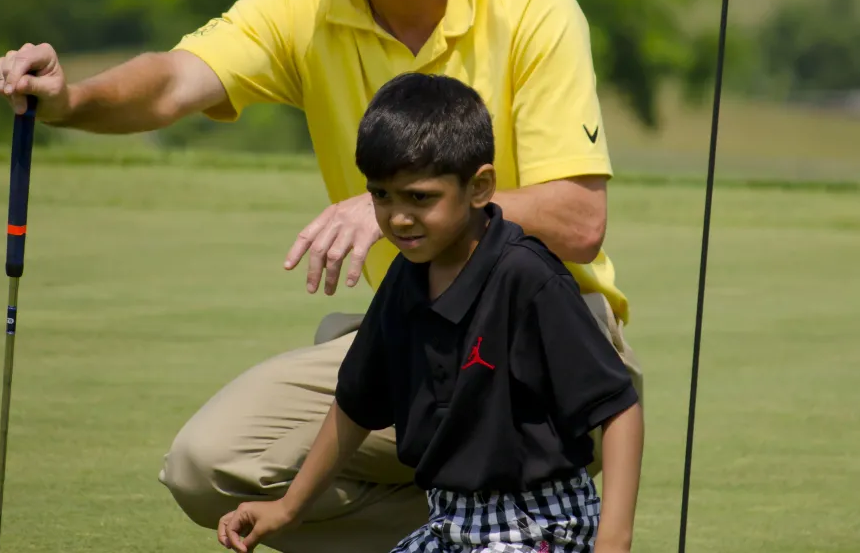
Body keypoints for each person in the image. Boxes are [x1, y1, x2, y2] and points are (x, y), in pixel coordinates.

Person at [0, 0, 645, 550]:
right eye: (387, 196)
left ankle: (527, 520)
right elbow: (169, 83)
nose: (398, 210)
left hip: (546, 338)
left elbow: (579, 217)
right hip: (417, 324)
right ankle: (474, 526)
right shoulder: (306, 2)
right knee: (205, 468)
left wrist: (384, 209)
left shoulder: (529, 2)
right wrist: (70, 99)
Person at [217, 73, 644, 553]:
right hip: (448, 520)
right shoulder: (407, 276)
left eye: (420, 197)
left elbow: (618, 407)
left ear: (480, 187)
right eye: (381, 195)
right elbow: (356, 401)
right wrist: (289, 507)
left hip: (540, 523)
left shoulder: (526, 275)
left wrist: (614, 542)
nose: (397, 217)